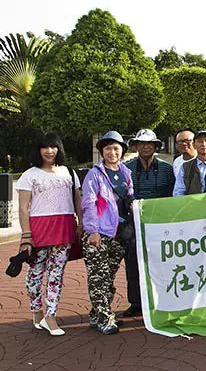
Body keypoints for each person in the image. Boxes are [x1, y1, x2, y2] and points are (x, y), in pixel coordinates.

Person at [15, 133, 82, 336]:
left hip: (64, 227)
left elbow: (78, 200)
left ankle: (50, 316)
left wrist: (81, 222)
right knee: (34, 274)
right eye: (45, 147)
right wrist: (26, 235)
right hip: (38, 230)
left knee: (56, 274)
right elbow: (23, 208)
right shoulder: (29, 175)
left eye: (53, 146)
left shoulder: (69, 172)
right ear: (38, 150)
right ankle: (36, 310)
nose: (49, 151)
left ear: (59, 149)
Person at [81, 131, 133, 335]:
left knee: (108, 275)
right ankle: (104, 318)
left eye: (116, 148)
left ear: (122, 151)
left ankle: (97, 314)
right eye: (108, 148)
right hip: (99, 233)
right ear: (102, 151)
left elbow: (129, 198)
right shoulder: (95, 174)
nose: (112, 152)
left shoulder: (126, 173)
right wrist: (92, 231)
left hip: (118, 234)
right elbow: (89, 203)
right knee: (98, 276)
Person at [122, 129, 174, 318]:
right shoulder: (126, 168)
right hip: (134, 223)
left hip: (160, 224)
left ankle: (162, 300)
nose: (145, 147)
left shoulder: (167, 169)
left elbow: (172, 195)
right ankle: (136, 303)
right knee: (133, 262)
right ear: (136, 146)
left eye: (149, 143)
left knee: (161, 263)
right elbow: (124, 195)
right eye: (141, 143)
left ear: (155, 146)